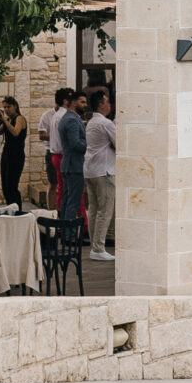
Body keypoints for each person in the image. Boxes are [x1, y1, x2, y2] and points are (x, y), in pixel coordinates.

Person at [82, 89, 118, 258]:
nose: (109, 105)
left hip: (91, 170)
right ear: (101, 105)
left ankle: (95, 246)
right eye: (107, 102)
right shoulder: (106, 123)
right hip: (104, 171)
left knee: (94, 209)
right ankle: (98, 248)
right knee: (104, 210)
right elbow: (120, 144)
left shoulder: (91, 122)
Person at [57, 90, 88, 219]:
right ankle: (69, 230)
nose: (85, 105)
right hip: (74, 165)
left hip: (69, 164)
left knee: (67, 199)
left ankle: (64, 228)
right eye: (82, 102)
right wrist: (89, 145)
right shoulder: (71, 120)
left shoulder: (68, 118)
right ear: (74, 102)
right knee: (73, 202)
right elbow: (75, 144)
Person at [44, 88, 74, 207]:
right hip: (61, 154)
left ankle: (60, 211)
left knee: (63, 187)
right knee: (63, 186)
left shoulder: (58, 116)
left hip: (58, 154)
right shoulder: (64, 116)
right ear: (66, 101)